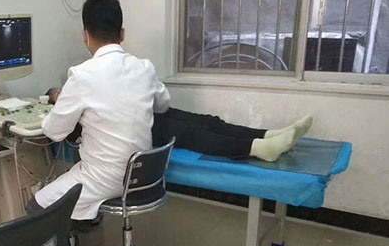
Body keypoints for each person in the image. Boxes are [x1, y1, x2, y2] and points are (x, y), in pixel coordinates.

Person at [27, 0, 170, 222]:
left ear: (85, 36)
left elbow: (54, 132)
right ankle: (84, 224)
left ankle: (71, 240)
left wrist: (48, 112)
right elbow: (163, 104)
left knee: (36, 206)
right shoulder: (144, 67)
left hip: (106, 179)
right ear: (122, 34)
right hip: (144, 173)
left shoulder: (82, 75)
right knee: (79, 161)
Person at [46, 87, 313, 162]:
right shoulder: (70, 111)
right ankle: (259, 149)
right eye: (57, 94)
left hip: (149, 115)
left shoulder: (86, 90)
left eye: (61, 90)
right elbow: (60, 131)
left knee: (208, 121)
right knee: (193, 133)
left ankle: (269, 134)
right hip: (137, 130)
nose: (62, 93)